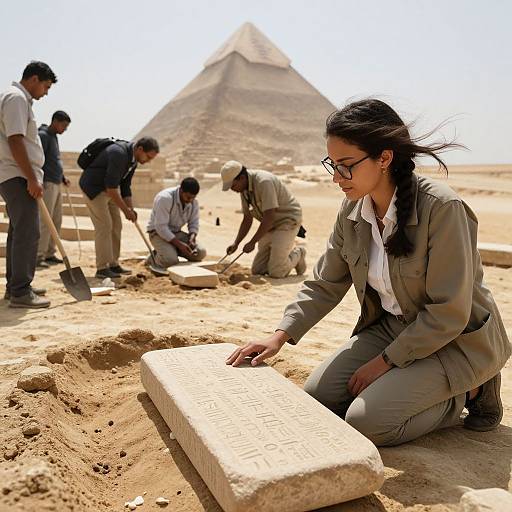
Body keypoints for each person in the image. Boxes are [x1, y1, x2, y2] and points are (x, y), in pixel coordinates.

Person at [226, 99, 511, 447]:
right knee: (320, 396)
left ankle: (473, 391)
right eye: (332, 164)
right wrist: (279, 335)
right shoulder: (351, 210)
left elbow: (448, 313)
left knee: (368, 422)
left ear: (384, 158)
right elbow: (324, 283)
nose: (336, 177)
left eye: (346, 166)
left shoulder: (443, 209)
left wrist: (385, 362)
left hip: (455, 339)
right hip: (392, 326)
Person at [0, 61, 58, 308]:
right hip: (18, 175)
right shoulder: (16, 99)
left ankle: (15, 288)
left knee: (18, 232)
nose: (45, 93)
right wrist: (32, 178)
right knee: (28, 232)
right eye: (45, 86)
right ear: (33, 79)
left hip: (15, 174)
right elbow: (15, 140)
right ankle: (21, 292)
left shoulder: (15, 98)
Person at [79, 136, 159, 279]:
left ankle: (113, 264)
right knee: (104, 226)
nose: (148, 161)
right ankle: (102, 268)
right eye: (148, 157)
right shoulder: (119, 154)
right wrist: (125, 210)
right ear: (140, 149)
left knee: (116, 225)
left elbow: (125, 186)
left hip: (109, 191)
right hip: (94, 189)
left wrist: (131, 209)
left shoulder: (133, 160)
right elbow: (111, 188)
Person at [221, 160, 306, 278]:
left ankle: (299, 253)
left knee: (276, 272)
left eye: (233, 186)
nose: (232, 190)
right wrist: (236, 243)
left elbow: (270, 216)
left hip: (287, 220)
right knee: (258, 270)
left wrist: (252, 242)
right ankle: (280, 254)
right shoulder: (244, 190)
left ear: (241, 178)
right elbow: (247, 219)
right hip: (270, 225)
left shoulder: (264, 182)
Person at [146, 177, 206, 268]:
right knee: (171, 260)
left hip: (176, 233)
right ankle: (153, 258)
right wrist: (180, 245)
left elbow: (194, 223)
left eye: (193, 198)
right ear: (181, 191)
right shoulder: (165, 198)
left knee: (200, 253)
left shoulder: (193, 202)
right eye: (188, 197)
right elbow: (161, 228)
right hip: (157, 234)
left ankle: (169, 250)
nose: (190, 200)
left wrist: (192, 238)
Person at [37, 110, 71, 268]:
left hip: (56, 182)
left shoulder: (53, 136)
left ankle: (50, 252)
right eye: (64, 125)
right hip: (47, 183)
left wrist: (63, 177)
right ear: (55, 122)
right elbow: (38, 159)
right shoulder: (43, 136)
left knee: (56, 220)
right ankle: (38, 255)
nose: (65, 129)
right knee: (46, 221)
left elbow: (53, 159)